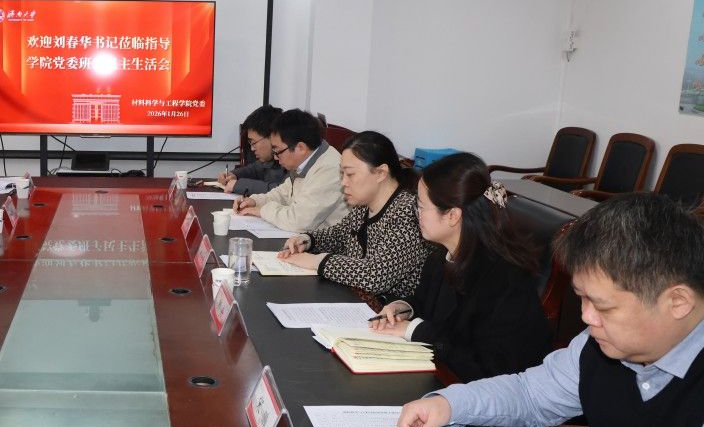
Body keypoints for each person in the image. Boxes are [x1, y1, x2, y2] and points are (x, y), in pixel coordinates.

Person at [396, 193, 704, 427]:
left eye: (602, 306)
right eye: (582, 298)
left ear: (678, 302)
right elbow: (531, 395)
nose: (586, 317)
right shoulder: (599, 345)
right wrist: (450, 403)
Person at [369, 153, 551, 380]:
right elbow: (427, 304)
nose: (416, 214)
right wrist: (403, 308)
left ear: (453, 215)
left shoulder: (503, 278)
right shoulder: (440, 256)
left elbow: (483, 363)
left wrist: (414, 330)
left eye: (421, 206)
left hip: (491, 389)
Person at [278, 130, 429, 301]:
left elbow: (376, 276)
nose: (343, 182)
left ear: (381, 173)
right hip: (357, 298)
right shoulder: (364, 204)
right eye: (342, 174)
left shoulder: (408, 213)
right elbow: (340, 235)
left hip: (390, 310)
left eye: (350, 174)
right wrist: (307, 240)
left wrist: (317, 261)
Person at [232, 109, 348, 233]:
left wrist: (262, 210)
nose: (275, 157)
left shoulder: (329, 169)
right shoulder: (306, 161)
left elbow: (299, 221)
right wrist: (255, 201)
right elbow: (284, 193)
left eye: (277, 151)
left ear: (300, 148)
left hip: (327, 243)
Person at [217, 105, 287, 194]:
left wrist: (239, 185)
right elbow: (254, 169)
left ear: (271, 137)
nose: (252, 148)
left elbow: (281, 191)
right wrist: (234, 175)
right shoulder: (270, 159)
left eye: (254, 143)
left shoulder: (290, 158)